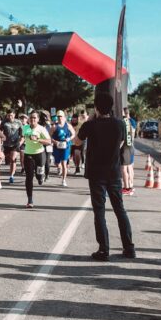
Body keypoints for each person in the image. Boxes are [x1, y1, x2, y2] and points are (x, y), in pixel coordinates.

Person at [78, 92, 134, 261]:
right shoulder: (120, 124)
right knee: (119, 209)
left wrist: (89, 121)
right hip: (114, 171)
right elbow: (123, 142)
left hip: (96, 172)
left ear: (96, 108)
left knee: (99, 211)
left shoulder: (90, 125)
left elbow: (77, 142)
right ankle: (129, 247)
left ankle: (104, 249)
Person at [22, 112, 52, 208]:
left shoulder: (41, 129)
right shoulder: (25, 128)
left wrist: (38, 139)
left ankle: (40, 176)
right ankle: (30, 200)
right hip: (28, 154)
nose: (32, 119)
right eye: (31, 118)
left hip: (39, 154)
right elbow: (23, 137)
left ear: (38, 119)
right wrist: (19, 143)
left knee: (39, 175)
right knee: (29, 177)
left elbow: (49, 141)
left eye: (34, 118)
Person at [51, 110, 75, 187]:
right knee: (57, 163)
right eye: (58, 117)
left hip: (66, 146)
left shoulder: (68, 126)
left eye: (61, 116)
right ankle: (59, 167)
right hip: (57, 146)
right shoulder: (54, 126)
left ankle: (63, 180)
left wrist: (69, 138)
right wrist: (54, 142)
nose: (60, 118)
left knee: (64, 163)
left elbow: (74, 134)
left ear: (64, 117)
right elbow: (49, 136)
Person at [2, 110, 23, 184]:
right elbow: (0, 131)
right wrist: (2, 137)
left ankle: (11, 176)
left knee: (13, 159)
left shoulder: (18, 122)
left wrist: (20, 143)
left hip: (15, 144)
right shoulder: (4, 122)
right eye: (8, 115)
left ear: (14, 115)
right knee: (4, 159)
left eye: (11, 115)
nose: (10, 117)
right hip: (6, 144)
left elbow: (22, 134)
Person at [120, 107, 136, 196]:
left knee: (123, 169)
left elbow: (122, 138)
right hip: (129, 147)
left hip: (125, 147)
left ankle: (127, 188)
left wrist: (118, 147)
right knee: (128, 167)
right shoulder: (128, 121)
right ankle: (129, 186)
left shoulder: (123, 122)